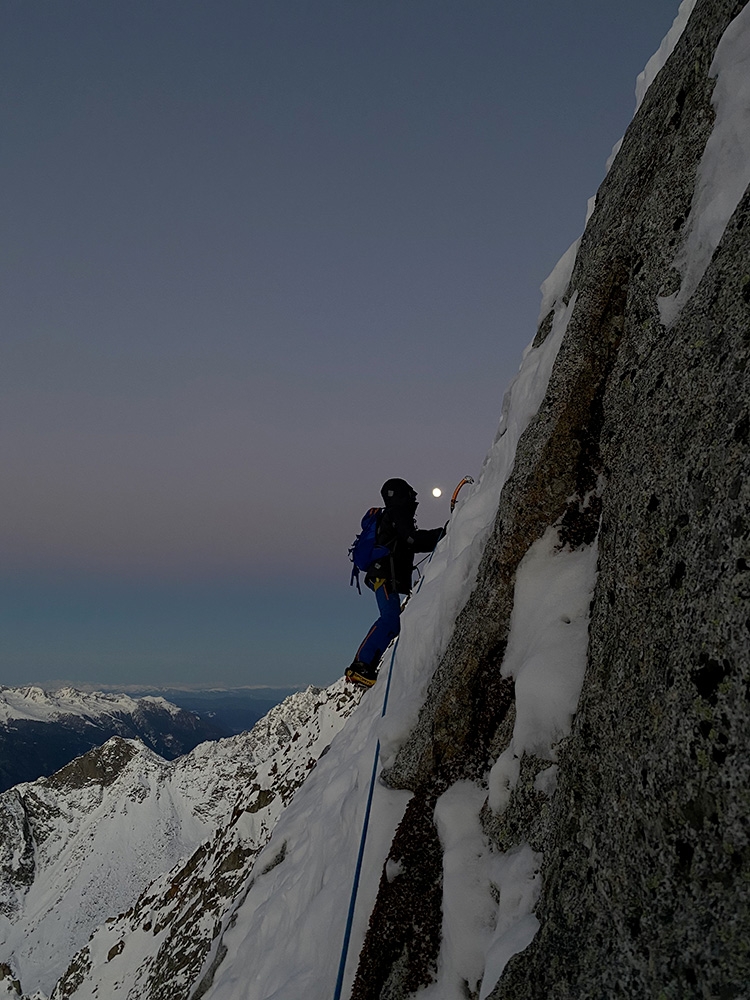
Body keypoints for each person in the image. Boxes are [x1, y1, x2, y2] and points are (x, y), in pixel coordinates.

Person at [345, 478, 445, 687]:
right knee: (391, 619)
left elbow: (407, 542)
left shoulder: (388, 516)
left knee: (393, 620)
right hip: (385, 574)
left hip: (382, 574)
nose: (414, 497)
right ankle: (360, 666)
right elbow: (411, 540)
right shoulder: (397, 513)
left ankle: (365, 666)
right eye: (410, 494)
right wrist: (443, 534)